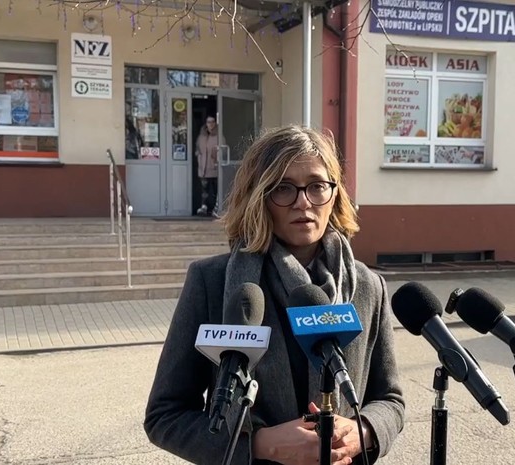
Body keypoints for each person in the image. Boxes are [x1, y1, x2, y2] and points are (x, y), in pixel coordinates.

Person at [144, 125, 405, 465]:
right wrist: (260, 444)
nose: (303, 202)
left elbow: (390, 400)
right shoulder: (212, 281)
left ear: (334, 194)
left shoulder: (369, 287)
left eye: (317, 186)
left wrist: (364, 430)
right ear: (258, 196)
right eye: (283, 188)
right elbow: (165, 415)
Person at [196, 116, 219, 216]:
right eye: (209, 122)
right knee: (204, 189)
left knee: (215, 190)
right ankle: (204, 207)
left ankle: (215, 208)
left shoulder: (218, 136)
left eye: (212, 122)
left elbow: (222, 150)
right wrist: (199, 159)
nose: (211, 124)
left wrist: (216, 160)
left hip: (214, 167)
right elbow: (198, 150)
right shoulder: (201, 137)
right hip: (203, 168)